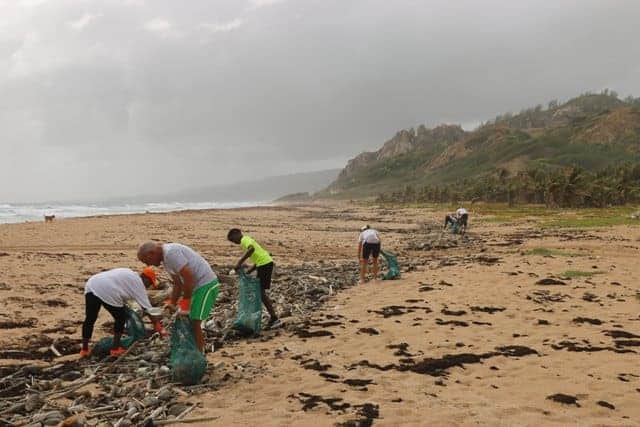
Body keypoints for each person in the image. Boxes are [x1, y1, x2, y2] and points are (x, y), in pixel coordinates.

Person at [137, 242, 219, 353]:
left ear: (151, 253)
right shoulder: (166, 261)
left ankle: (200, 354)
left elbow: (189, 278)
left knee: (195, 320)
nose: (148, 265)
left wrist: (185, 304)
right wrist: (172, 302)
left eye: (146, 261)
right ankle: (196, 349)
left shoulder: (171, 253)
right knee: (189, 319)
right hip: (197, 288)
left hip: (206, 285)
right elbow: (178, 283)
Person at [81, 267, 163, 357]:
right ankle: (115, 349)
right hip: (108, 289)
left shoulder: (129, 272)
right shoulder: (139, 284)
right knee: (120, 318)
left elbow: (120, 287)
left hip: (92, 283)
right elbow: (147, 308)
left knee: (90, 318)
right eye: (150, 283)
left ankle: (84, 349)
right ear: (145, 278)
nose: (149, 286)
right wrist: (157, 326)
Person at [227, 228, 280, 329]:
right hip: (264, 263)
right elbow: (258, 258)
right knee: (260, 292)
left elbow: (251, 250)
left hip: (265, 264)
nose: (234, 242)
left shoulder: (244, 240)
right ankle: (272, 317)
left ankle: (274, 318)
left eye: (233, 239)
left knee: (261, 292)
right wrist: (249, 271)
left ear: (237, 234)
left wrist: (239, 263)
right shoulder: (247, 240)